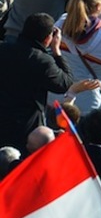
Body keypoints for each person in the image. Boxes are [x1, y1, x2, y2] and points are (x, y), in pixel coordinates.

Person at [0, 13, 89, 152]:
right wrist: (57, 52)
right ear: (48, 38)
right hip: (26, 126)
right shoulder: (42, 61)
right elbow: (65, 83)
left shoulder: (3, 49)